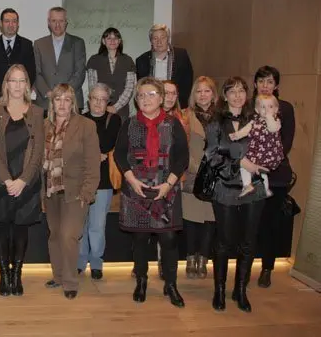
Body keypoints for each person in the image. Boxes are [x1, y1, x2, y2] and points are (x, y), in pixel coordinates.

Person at [114, 77, 189, 308]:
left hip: (166, 188)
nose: (145, 99)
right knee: (140, 239)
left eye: (151, 94)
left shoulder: (172, 123)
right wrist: (132, 180)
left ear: (161, 98)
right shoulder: (129, 123)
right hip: (137, 187)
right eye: (141, 95)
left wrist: (167, 184)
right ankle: (142, 281)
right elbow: (119, 154)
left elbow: (182, 158)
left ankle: (171, 284)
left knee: (168, 239)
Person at [206, 77, 269, 312]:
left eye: (241, 90)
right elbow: (212, 156)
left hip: (254, 187)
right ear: (224, 95)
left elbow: (270, 146)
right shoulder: (215, 122)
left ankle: (240, 289)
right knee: (223, 242)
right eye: (232, 91)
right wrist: (242, 163)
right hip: (224, 186)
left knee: (249, 242)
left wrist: (261, 164)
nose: (237, 95)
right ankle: (219, 290)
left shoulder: (258, 119)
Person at [0, 65, 44, 296]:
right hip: (0, 180)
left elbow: (38, 150)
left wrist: (22, 180)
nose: (18, 86)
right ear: (6, 84)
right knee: (1, 230)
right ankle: (4, 275)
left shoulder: (37, 112)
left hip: (26, 181)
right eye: (13, 81)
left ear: (27, 85)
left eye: (22, 81)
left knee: (20, 230)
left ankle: (17, 275)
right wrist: (7, 179)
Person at [43, 84, 100, 299]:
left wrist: (87, 192)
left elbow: (93, 163)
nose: (62, 104)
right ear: (52, 102)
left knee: (69, 236)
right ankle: (57, 276)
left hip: (75, 192)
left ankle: (69, 281)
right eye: (58, 99)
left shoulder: (86, 126)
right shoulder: (44, 126)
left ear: (73, 103)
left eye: (67, 99)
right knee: (55, 236)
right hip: (51, 191)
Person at [253, 66, 295, 288]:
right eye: (261, 81)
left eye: (269, 82)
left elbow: (286, 142)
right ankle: (244, 265)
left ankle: (267, 268)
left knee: (269, 224)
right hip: (251, 175)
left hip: (276, 175)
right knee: (251, 224)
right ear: (255, 84)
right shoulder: (251, 108)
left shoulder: (285, 109)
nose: (265, 86)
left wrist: (267, 164)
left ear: (276, 85)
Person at [78, 83, 121, 279]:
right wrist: (95, 154)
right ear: (89, 99)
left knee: (97, 224)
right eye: (95, 98)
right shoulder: (79, 119)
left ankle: (96, 262)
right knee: (80, 224)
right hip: (81, 180)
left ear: (108, 102)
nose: (98, 103)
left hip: (103, 182)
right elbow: (76, 147)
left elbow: (107, 143)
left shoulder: (115, 120)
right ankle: (80, 261)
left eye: (102, 99)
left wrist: (91, 152)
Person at [181, 76, 217, 279]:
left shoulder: (222, 116)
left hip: (215, 175)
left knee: (210, 219)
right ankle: (190, 258)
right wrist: (195, 167)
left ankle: (203, 259)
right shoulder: (185, 116)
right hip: (192, 173)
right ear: (193, 95)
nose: (203, 95)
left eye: (207, 91)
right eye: (199, 91)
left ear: (213, 94)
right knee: (192, 220)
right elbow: (180, 145)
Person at [230, 95, 283, 198]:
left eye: (270, 107)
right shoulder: (254, 121)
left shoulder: (276, 120)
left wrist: (269, 117)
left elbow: (272, 128)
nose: (267, 109)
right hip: (255, 151)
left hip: (268, 152)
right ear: (257, 110)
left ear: (276, 109)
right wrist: (237, 135)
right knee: (248, 167)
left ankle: (262, 188)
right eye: (263, 107)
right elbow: (245, 130)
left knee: (261, 171)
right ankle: (250, 186)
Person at [33, 7, 87, 110]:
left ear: (66, 22)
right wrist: (48, 93)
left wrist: (63, 94)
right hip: (45, 103)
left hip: (71, 102)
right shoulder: (39, 44)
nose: (57, 25)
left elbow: (79, 73)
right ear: (49, 22)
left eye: (61, 21)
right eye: (54, 21)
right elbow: (36, 72)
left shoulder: (78, 43)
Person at [135, 24, 194, 108]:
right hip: (152, 104)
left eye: (163, 37)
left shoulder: (181, 55)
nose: (159, 42)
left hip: (176, 103)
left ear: (168, 39)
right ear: (151, 41)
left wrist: (179, 102)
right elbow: (142, 87)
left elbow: (188, 82)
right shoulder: (141, 60)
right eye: (155, 38)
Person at [0, 8, 36, 102]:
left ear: (18, 24)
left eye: (14, 21)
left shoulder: (27, 45)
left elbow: (31, 73)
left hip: (20, 97)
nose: (11, 25)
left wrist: (21, 92)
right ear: (1, 23)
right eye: (7, 21)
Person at [86, 27, 137, 120]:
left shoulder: (128, 61)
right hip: (99, 109)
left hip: (121, 110)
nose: (112, 41)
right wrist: (103, 106)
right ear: (103, 41)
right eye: (109, 38)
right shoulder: (94, 60)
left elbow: (129, 88)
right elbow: (92, 87)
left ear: (119, 41)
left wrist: (116, 107)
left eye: (115, 38)